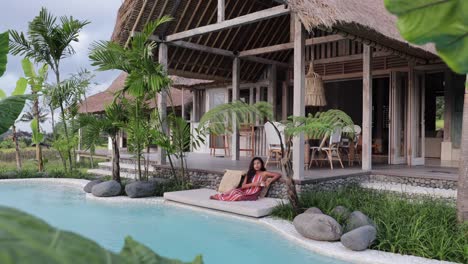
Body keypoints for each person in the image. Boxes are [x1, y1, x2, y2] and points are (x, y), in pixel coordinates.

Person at [210, 157, 281, 201]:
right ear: (252, 165)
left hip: (253, 194)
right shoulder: (250, 173)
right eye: (254, 164)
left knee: (238, 196)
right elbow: (243, 186)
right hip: (246, 191)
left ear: (262, 164)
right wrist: (254, 184)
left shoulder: (264, 173)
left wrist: (270, 180)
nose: (256, 165)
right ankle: (221, 196)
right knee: (233, 191)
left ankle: (220, 198)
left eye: (258, 163)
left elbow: (278, 174)